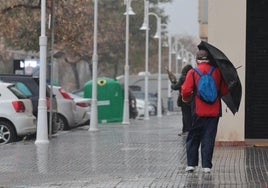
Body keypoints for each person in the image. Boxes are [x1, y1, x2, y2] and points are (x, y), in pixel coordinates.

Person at [181, 49, 228, 173]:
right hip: (214, 111)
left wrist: (186, 98)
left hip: (198, 111)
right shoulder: (217, 72)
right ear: (208, 59)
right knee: (209, 137)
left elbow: (185, 90)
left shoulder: (193, 72)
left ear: (197, 60)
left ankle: (191, 164)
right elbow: (223, 91)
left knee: (193, 137)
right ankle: (206, 166)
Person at [171, 64, 193, 136]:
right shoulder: (194, 76)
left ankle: (186, 131)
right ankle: (190, 130)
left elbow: (175, 87)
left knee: (185, 116)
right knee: (191, 115)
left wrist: (173, 83)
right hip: (192, 100)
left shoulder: (183, 78)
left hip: (184, 99)